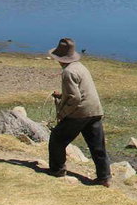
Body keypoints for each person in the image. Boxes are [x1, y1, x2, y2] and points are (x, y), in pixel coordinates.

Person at [47, 38, 111, 187]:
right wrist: (61, 96)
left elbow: (75, 98)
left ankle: (57, 170)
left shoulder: (68, 72)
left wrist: (62, 113)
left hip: (80, 113)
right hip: (95, 110)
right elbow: (79, 93)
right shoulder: (80, 67)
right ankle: (104, 177)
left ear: (60, 59)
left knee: (57, 139)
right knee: (97, 146)